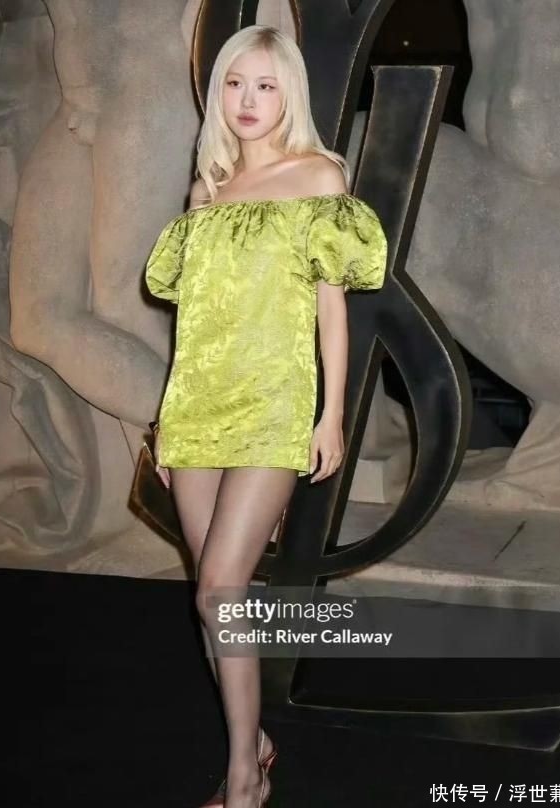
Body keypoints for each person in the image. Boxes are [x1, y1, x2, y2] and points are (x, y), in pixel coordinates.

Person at [144, 24, 387, 808]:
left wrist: (330, 415)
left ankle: (245, 780)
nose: (247, 101)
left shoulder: (317, 175)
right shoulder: (205, 190)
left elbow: (331, 310)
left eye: (266, 85)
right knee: (213, 597)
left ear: (290, 95)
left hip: (274, 402)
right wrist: (165, 420)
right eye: (234, 83)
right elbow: (188, 323)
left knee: (221, 587)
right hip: (195, 408)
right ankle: (253, 742)